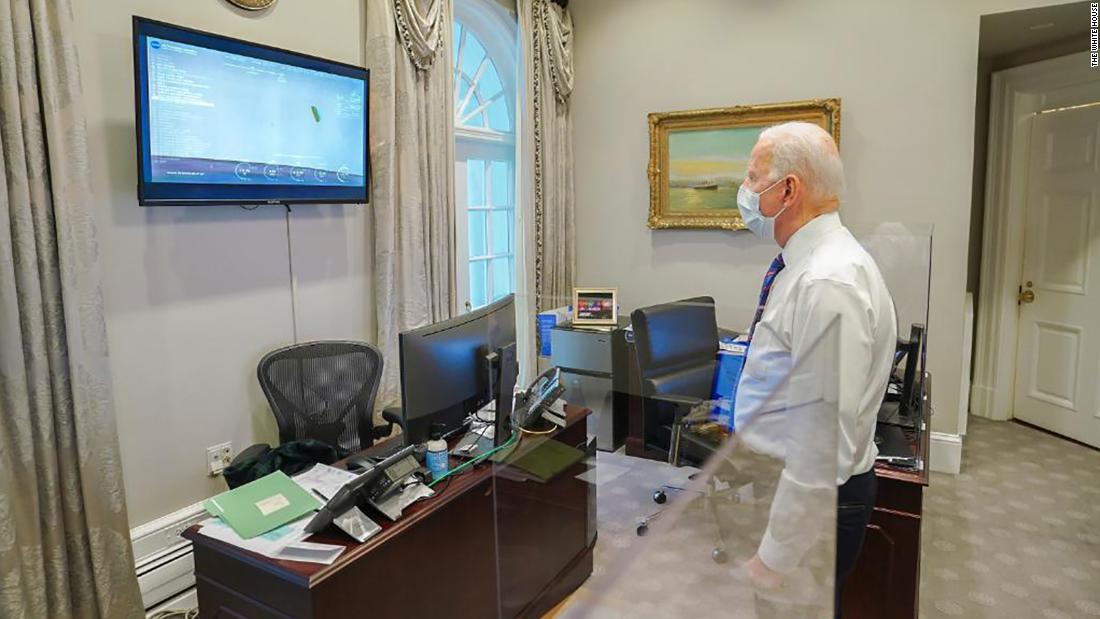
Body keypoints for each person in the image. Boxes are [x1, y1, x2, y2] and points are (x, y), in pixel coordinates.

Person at [731, 121, 897, 616]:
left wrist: (776, 555)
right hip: (791, 489)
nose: (745, 192)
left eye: (752, 177)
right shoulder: (807, 265)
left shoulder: (829, 280)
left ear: (788, 189)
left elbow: (821, 438)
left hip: (813, 501)